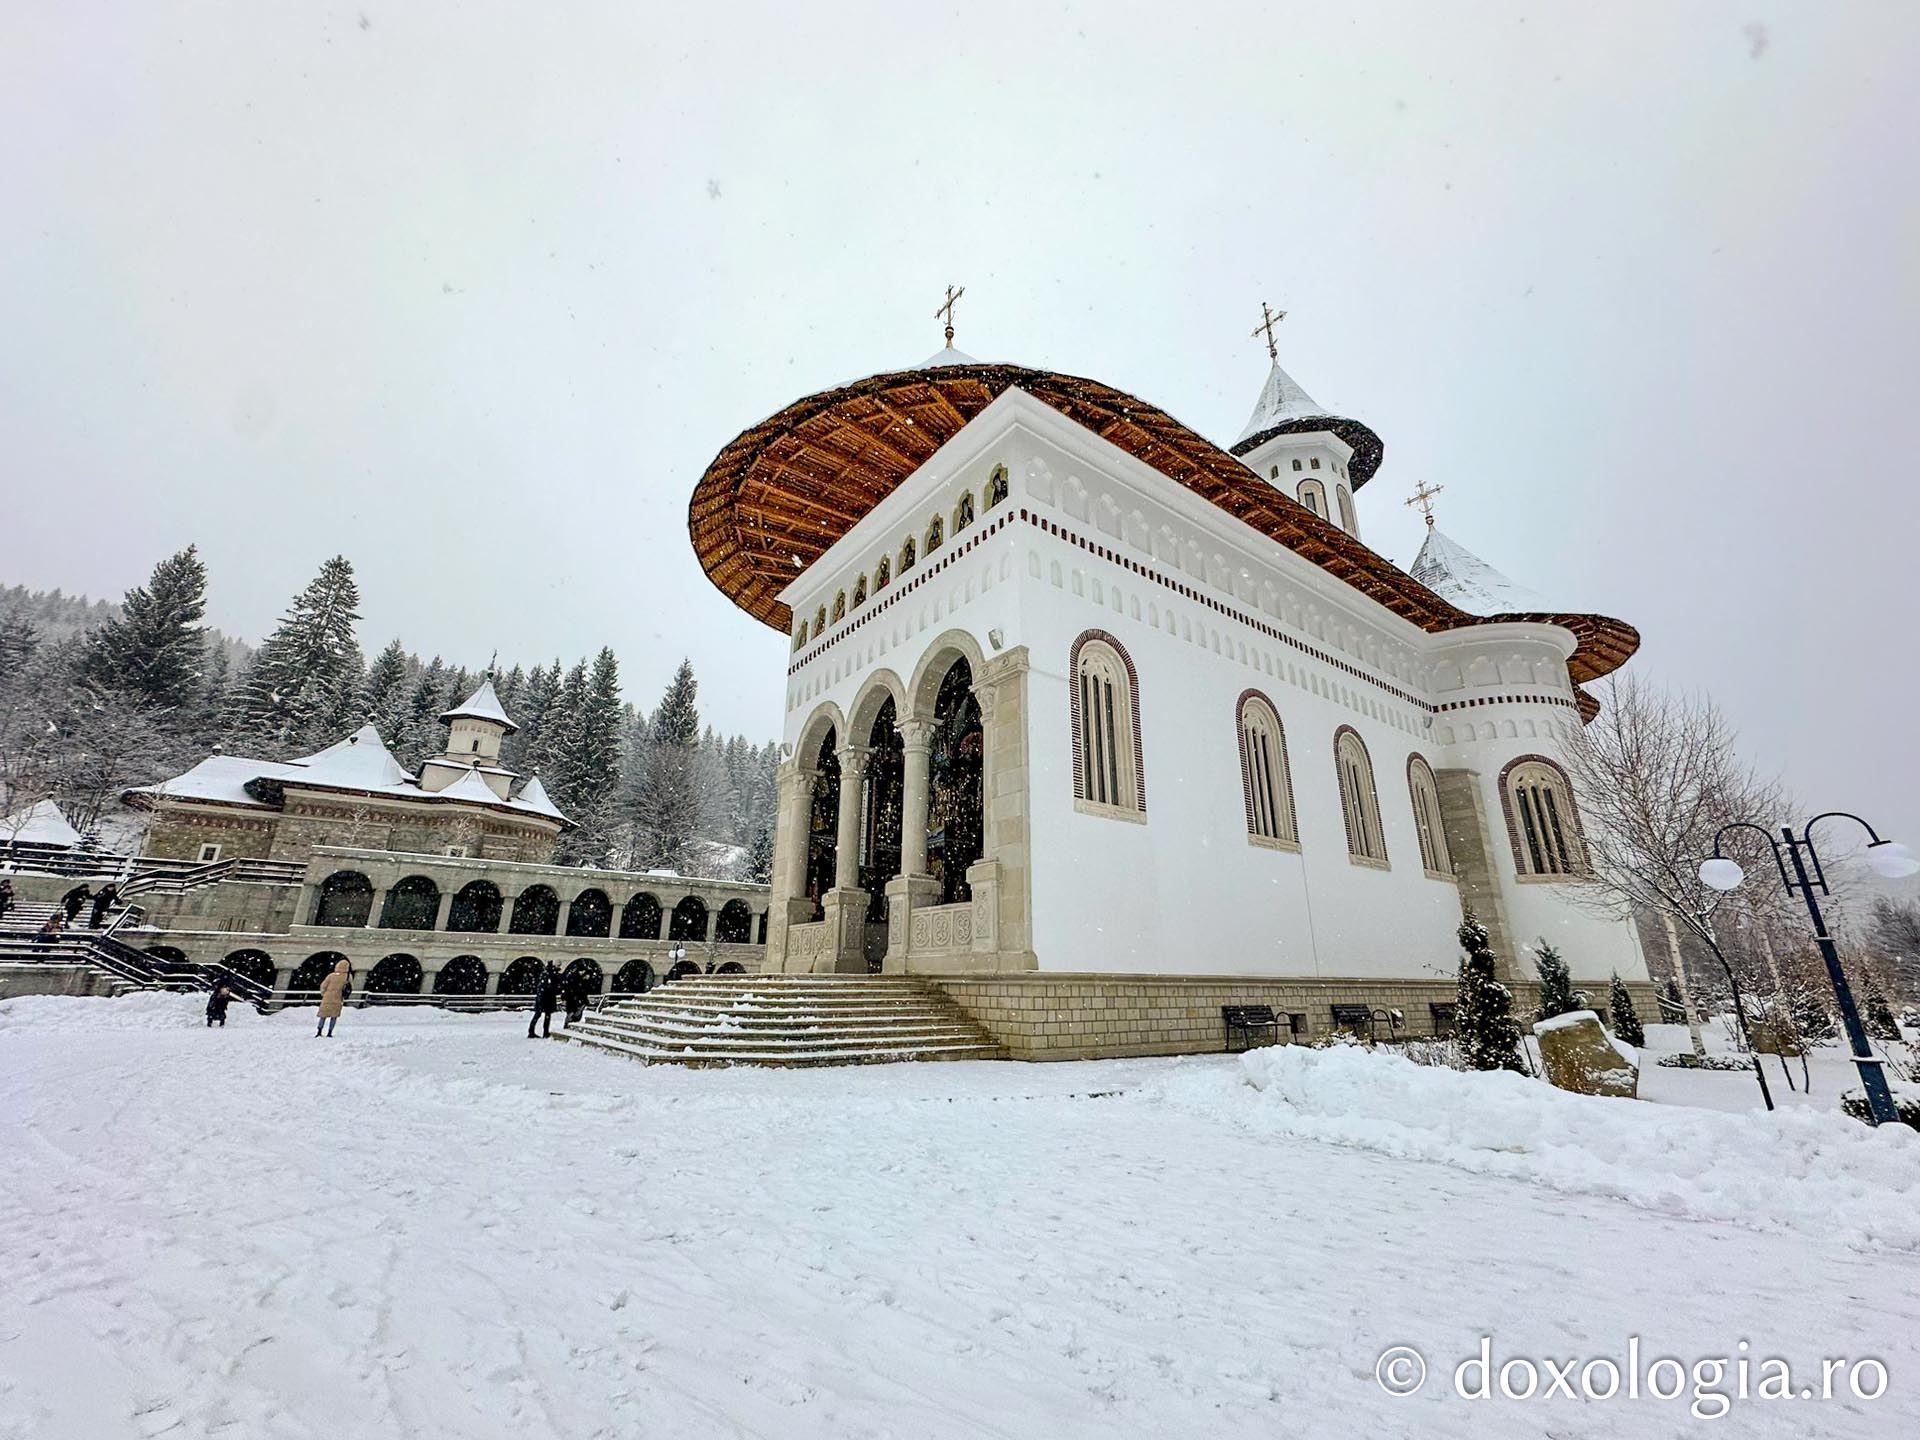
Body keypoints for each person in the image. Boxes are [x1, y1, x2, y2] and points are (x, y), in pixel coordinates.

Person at [316, 959, 352, 1037]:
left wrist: (324, 994)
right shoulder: (347, 977)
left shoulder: (331, 976)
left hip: (327, 998)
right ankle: (330, 1032)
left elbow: (323, 986)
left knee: (323, 1016)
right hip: (338, 998)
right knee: (334, 1016)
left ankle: (319, 1031)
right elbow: (350, 987)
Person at [528, 961, 561, 1039]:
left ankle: (536, 1031)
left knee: (542, 1015)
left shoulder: (548, 973)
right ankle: (541, 1032)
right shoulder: (550, 974)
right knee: (544, 1015)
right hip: (546, 997)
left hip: (545, 997)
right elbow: (550, 986)